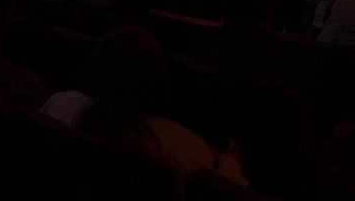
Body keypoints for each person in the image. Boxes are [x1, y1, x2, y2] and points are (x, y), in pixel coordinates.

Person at [40, 28, 246, 185]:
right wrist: (230, 163)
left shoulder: (60, 104)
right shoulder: (181, 145)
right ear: (158, 81)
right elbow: (218, 192)